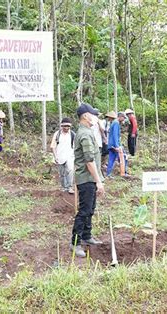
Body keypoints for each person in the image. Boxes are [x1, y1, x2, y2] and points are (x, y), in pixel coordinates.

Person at [71, 103, 105, 258]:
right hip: (86, 179)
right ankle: (75, 242)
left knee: (90, 209)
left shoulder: (88, 132)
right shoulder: (84, 134)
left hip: (90, 178)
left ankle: (87, 236)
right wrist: (98, 181)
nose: (95, 118)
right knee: (84, 211)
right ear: (85, 116)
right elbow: (89, 160)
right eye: (93, 114)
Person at [51, 118, 76, 194]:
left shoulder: (73, 134)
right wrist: (55, 157)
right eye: (64, 126)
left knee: (70, 171)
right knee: (62, 173)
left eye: (68, 126)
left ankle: (70, 187)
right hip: (60, 156)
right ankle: (63, 187)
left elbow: (76, 147)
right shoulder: (57, 134)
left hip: (70, 156)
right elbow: (53, 146)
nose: (66, 128)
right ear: (61, 126)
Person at [107, 112, 128, 177]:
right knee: (123, 157)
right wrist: (117, 146)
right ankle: (124, 172)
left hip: (111, 144)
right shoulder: (116, 123)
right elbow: (115, 135)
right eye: (123, 118)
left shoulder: (113, 123)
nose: (124, 119)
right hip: (115, 145)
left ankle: (108, 174)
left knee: (111, 159)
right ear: (120, 117)